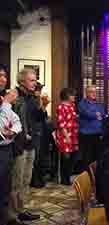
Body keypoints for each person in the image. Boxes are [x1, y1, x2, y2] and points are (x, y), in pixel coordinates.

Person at [10, 68, 42, 222]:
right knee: (16, 181)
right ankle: (12, 215)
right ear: (22, 81)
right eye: (32, 80)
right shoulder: (14, 96)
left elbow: (40, 118)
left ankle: (21, 210)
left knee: (26, 179)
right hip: (19, 145)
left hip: (31, 144)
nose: (35, 83)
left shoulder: (32, 97)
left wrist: (41, 103)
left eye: (35, 80)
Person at [0, 80, 22, 224]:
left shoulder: (3, 100)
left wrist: (13, 131)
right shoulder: (5, 102)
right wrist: (7, 103)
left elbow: (16, 120)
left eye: (4, 76)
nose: (3, 79)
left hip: (7, 149)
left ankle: (5, 218)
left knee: (5, 187)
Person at [78, 85, 105, 170]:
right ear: (86, 93)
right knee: (87, 158)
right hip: (86, 135)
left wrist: (96, 114)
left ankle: (95, 177)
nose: (94, 94)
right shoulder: (82, 103)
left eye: (95, 92)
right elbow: (87, 114)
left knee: (97, 157)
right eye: (91, 92)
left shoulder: (98, 104)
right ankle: (86, 178)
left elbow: (103, 114)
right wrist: (96, 114)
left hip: (98, 134)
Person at [55, 88, 79, 185]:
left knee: (73, 157)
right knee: (66, 157)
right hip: (65, 135)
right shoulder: (61, 107)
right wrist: (66, 136)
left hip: (73, 134)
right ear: (67, 96)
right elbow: (61, 123)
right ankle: (64, 179)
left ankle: (68, 176)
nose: (74, 97)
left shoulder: (72, 106)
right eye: (72, 95)